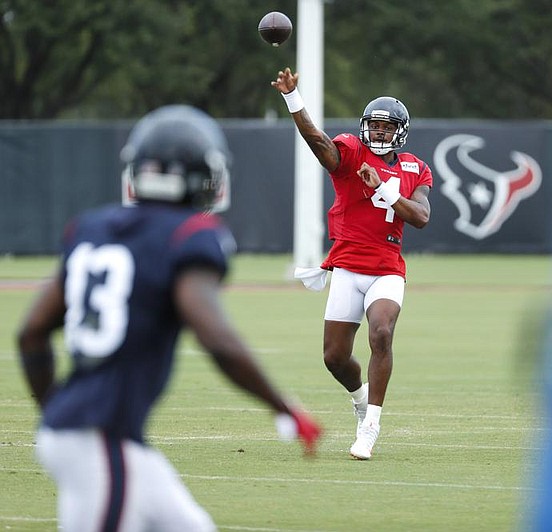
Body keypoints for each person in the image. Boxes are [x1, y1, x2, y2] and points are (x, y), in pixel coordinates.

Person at [16, 104, 322, 532]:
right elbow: (216, 338)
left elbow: (31, 333)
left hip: (100, 435)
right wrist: (283, 406)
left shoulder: (92, 227)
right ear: (205, 176)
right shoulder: (190, 235)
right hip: (99, 436)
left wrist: (55, 411)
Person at [271, 67, 432, 460]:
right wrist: (294, 100)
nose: (377, 133)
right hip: (347, 267)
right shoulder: (350, 152)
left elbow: (421, 216)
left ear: (400, 132)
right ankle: (360, 400)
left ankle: (372, 425)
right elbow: (319, 144)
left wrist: (385, 190)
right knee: (334, 357)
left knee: (381, 333)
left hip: (387, 270)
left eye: (385, 127)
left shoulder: (414, 168)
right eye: (373, 126)